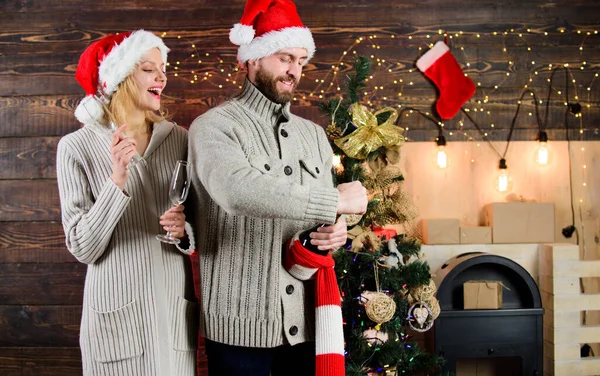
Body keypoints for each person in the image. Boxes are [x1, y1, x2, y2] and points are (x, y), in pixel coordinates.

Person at [188, 1, 368, 375]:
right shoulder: (214, 126)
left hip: (306, 320)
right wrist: (334, 199)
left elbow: (322, 215)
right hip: (241, 327)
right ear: (252, 59)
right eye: (285, 58)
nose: (294, 71)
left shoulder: (314, 135)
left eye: (301, 60)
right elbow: (235, 190)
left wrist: (336, 230)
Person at [56, 30, 197, 376]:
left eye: (163, 68)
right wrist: (116, 180)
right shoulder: (75, 148)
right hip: (118, 323)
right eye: (149, 69)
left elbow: (202, 223)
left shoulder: (180, 139)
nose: (162, 77)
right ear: (120, 78)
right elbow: (82, 247)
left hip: (171, 318)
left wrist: (185, 231)